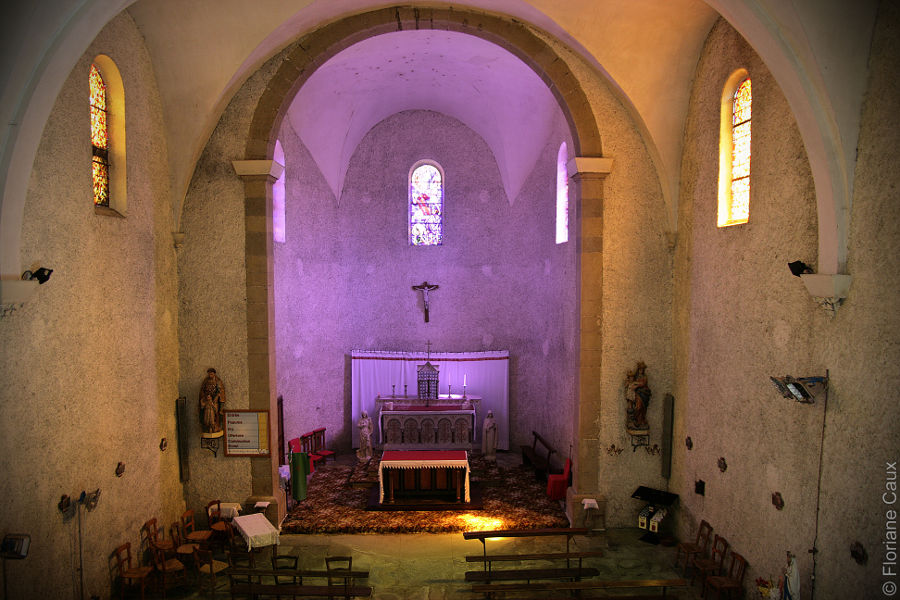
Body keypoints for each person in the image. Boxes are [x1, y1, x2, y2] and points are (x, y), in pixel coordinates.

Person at [625, 362, 651, 430]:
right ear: (638, 369)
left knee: (642, 408)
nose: (641, 371)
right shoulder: (636, 377)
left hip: (644, 393)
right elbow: (631, 382)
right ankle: (636, 420)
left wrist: (637, 386)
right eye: (640, 369)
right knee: (638, 407)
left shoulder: (644, 376)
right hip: (638, 394)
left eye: (642, 369)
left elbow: (643, 383)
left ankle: (641, 421)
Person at [199, 368, 226, 434]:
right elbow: (202, 390)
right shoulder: (206, 381)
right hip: (207, 401)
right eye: (209, 374)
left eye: (211, 374)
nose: (210, 375)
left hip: (215, 401)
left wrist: (217, 397)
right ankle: (207, 428)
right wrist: (204, 397)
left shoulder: (218, 381)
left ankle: (215, 427)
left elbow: (221, 391)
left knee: (215, 414)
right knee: (207, 416)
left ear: (214, 374)